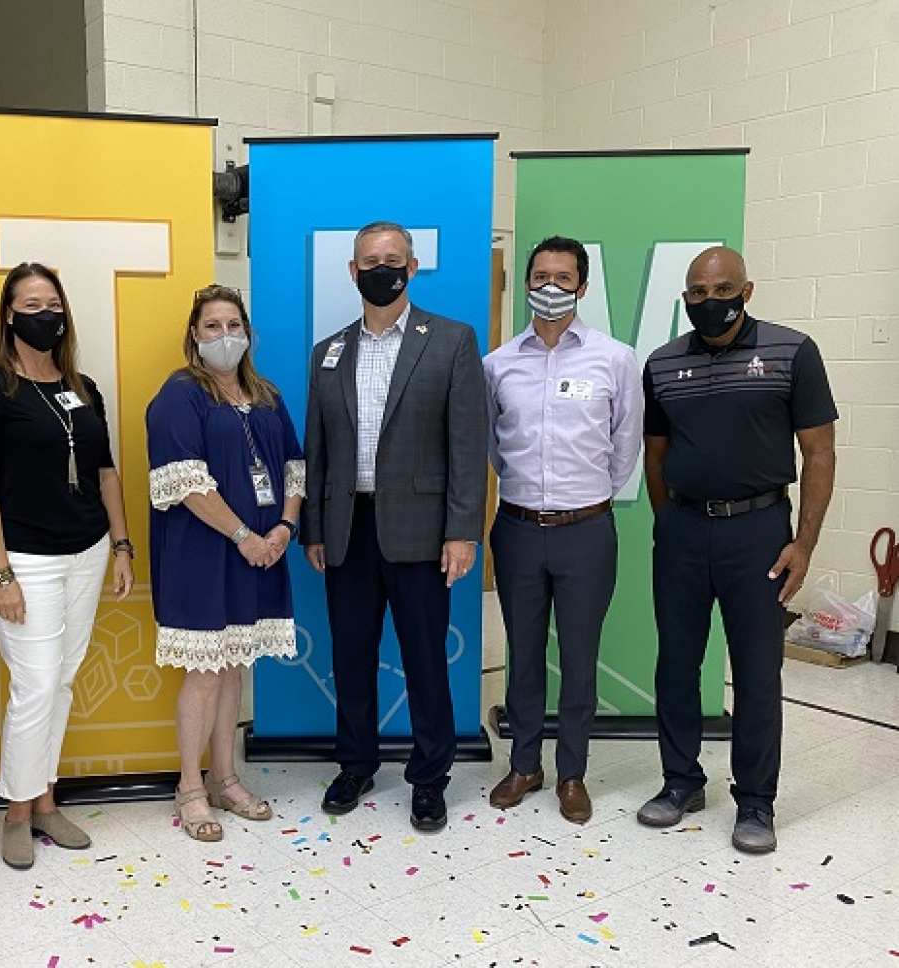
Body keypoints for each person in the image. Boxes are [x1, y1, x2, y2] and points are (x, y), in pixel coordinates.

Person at [638, 246, 836, 854]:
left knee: (755, 672)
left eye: (722, 290)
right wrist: (669, 521)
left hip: (760, 534)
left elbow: (820, 453)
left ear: (746, 290)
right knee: (676, 664)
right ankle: (680, 782)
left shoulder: (792, 351)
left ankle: (755, 800)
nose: (710, 302)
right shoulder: (663, 363)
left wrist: (803, 543)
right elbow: (656, 455)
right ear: (686, 300)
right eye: (698, 293)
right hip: (683, 531)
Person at [303, 220, 488, 832]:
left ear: (411, 268)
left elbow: (467, 446)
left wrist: (463, 531)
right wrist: (313, 528)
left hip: (422, 530)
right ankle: (355, 763)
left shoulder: (453, 341)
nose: (382, 269)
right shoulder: (327, 352)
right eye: (369, 261)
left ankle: (430, 776)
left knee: (425, 659)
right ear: (353, 273)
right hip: (347, 528)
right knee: (350, 656)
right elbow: (319, 447)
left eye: (394, 259)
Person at [0, 262, 135, 870]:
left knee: (58, 681)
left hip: (85, 552)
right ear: (10, 314)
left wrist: (121, 545)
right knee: (34, 683)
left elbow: (106, 474)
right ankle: (15, 811)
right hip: (23, 560)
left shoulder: (83, 388)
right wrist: (0, 573)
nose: (45, 314)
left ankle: (45, 802)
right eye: (32, 304)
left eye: (54, 304)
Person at [484, 236, 642, 824]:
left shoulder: (614, 359)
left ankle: (572, 771)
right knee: (522, 654)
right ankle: (525, 762)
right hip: (519, 527)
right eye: (541, 275)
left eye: (563, 277)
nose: (550, 287)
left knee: (579, 656)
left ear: (582, 285)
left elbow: (623, 448)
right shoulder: (497, 364)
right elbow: (496, 450)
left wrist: (581, 499)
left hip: (587, 530)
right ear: (526, 283)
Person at [146, 284, 303, 841]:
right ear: (194, 334)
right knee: (206, 671)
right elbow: (186, 481)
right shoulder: (180, 394)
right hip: (204, 552)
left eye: (233, 325)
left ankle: (226, 776)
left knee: (235, 665)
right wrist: (243, 535)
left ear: (248, 333)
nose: (224, 335)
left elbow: (293, 467)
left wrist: (283, 527)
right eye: (212, 326)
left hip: (262, 552)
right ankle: (190, 786)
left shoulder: (266, 395)